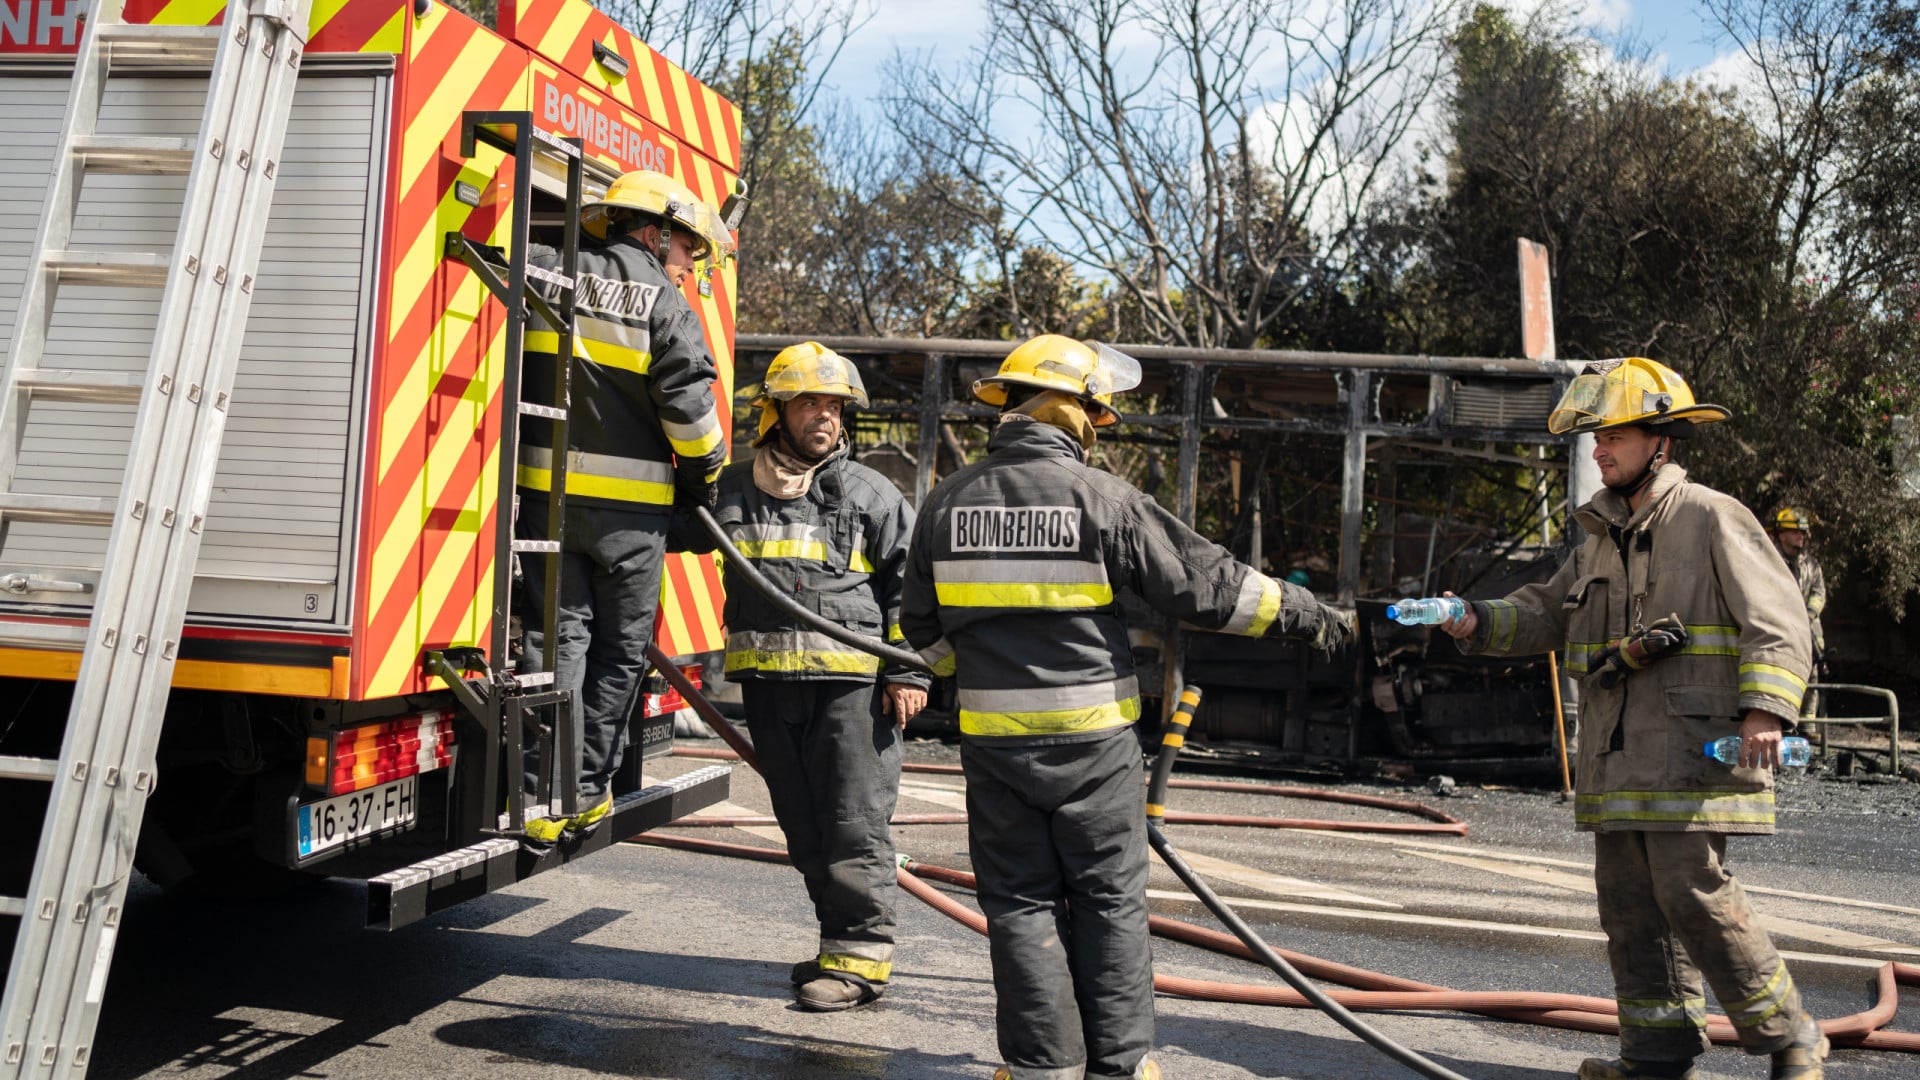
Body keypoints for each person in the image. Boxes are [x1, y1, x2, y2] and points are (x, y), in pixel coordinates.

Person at [898, 334, 1352, 1080]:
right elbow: (1209, 588)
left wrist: (983, 666)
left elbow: (922, 633)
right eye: (1095, 412)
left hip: (995, 750)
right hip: (1093, 749)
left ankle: (1041, 1070)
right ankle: (1119, 1068)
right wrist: (1309, 615)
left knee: (1019, 906)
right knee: (1108, 901)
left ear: (1010, 405)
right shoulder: (1104, 500)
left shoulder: (946, 503)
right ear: (1073, 411)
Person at [1436, 357, 1827, 1080]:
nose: (1600, 450)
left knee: (1691, 893)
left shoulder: (1711, 516)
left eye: (1613, 436)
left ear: (1661, 441)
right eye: (1597, 438)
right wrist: (1473, 619)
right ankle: (1655, 1058)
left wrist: (1766, 711)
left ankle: (1792, 1037)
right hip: (1617, 761)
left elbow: (1780, 621)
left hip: (1692, 755)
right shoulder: (1598, 539)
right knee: (1629, 909)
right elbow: (1545, 612)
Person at [671, 341, 929, 1011]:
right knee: (803, 825)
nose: (825, 416)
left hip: (852, 692)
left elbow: (913, 590)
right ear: (777, 412)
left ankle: (861, 961)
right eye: (810, 402)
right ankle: (837, 944)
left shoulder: (871, 493)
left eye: (835, 405)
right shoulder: (731, 489)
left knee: (852, 824)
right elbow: (666, 528)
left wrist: (909, 674)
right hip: (767, 685)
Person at [516, 170, 733, 843]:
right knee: (618, 654)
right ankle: (585, 794)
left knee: (555, 645)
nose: (688, 266)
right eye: (687, 249)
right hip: (631, 523)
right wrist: (703, 487)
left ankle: (539, 800)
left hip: (546, 509)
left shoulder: (547, 269)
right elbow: (694, 423)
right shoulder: (664, 306)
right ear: (654, 233)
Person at [1766, 506, 1827, 718]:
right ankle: (1782, 721)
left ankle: (1808, 726)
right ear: (1781, 535)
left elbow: (1819, 593)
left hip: (1809, 633)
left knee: (1811, 678)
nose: (1801, 536)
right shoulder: (1768, 561)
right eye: (1795, 532)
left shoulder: (1811, 564)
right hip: (1780, 631)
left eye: (1803, 532)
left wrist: (1808, 615)